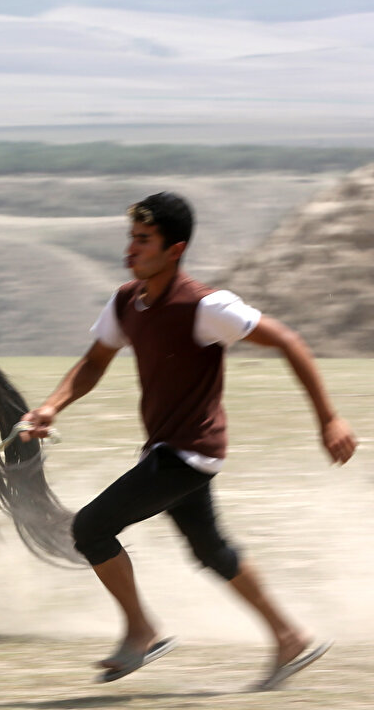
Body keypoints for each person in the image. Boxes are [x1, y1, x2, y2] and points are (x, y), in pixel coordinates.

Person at [19, 191, 357, 688]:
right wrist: (50, 406)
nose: (131, 249)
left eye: (144, 241)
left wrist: (328, 418)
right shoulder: (126, 301)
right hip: (167, 449)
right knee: (210, 549)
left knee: (90, 528)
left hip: (190, 453)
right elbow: (94, 363)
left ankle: (142, 631)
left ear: (174, 250)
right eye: (130, 238)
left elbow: (287, 339)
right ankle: (290, 637)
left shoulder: (205, 306)